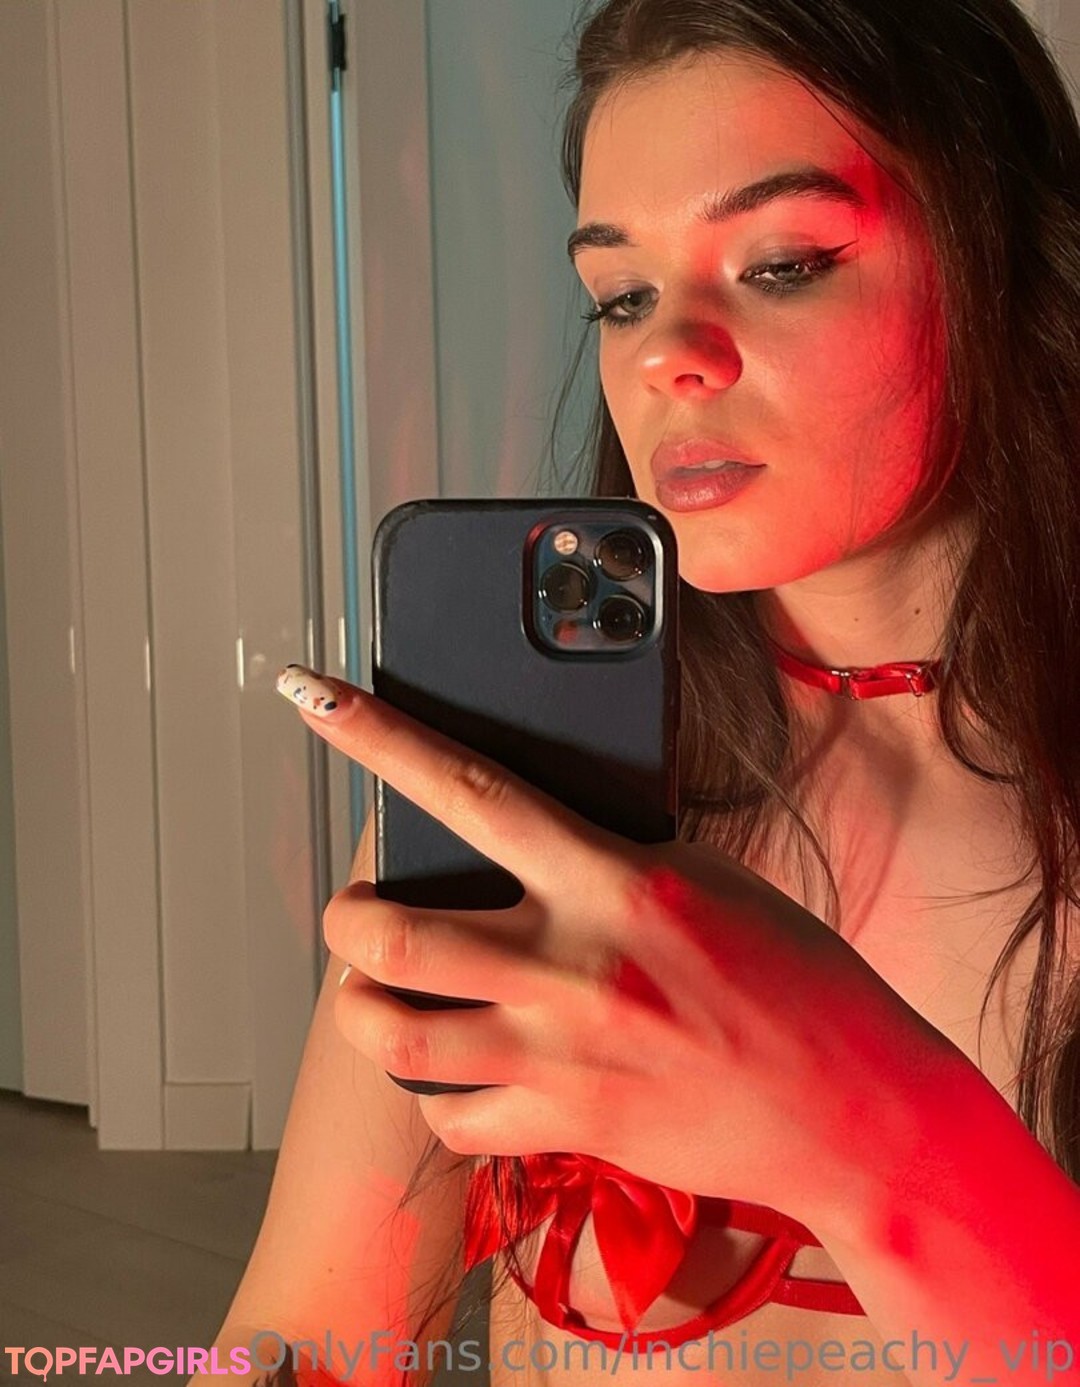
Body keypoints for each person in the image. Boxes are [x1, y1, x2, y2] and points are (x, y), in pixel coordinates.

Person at [194, 1, 1080, 1385]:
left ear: (1010, 265)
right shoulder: (522, 795)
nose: (667, 353)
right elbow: (307, 1334)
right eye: (620, 295)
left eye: (782, 264)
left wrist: (868, 1130)